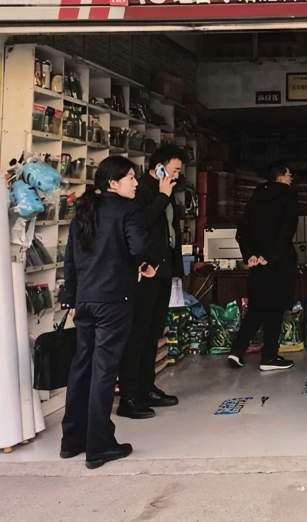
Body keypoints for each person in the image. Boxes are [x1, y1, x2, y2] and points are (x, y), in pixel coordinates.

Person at [59, 156, 155, 469]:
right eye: (130, 178)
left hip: (86, 300)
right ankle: (99, 445)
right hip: (114, 300)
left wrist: (70, 297)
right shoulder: (128, 210)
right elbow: (139, 246)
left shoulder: (84, 210)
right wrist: (148, 263)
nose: (136, 183)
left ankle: (72, 440)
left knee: (82, 367)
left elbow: (71, 258)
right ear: (113, 183)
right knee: (104, 370)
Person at [117, 146, 185, 419]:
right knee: (138, 334)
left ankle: (146, 388)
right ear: (159, 167)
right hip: (144, 272)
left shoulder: (166, 191)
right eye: (174, 169)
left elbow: (170, 232)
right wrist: (163, 196)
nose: (177, 175)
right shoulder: (142, 190)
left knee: (154, 331)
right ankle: (129, 395)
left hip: (163, 270)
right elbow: (141, 222)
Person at [227, 161, 299, 371]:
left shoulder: (255, 198)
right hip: (279, 262)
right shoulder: (288, 196)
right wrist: (271, 256)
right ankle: (269, 357)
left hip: (257, 263)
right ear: (280, 176)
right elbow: (287, 230)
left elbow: (242, 231)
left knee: (257, 308)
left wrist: (250, 256)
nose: (291, 178)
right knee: (276, 309)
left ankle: (236, 351)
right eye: (289, 174)